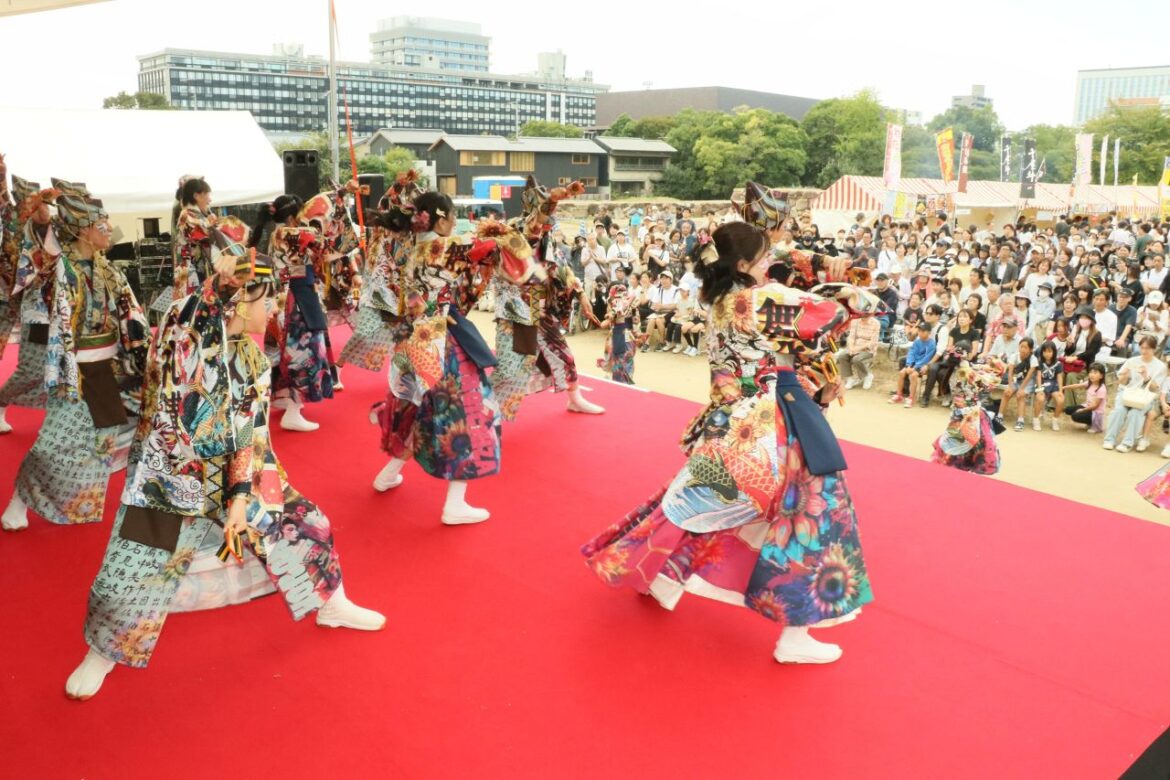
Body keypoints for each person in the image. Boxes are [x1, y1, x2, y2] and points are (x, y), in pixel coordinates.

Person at [64, 251, 384, 701]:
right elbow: (189, 318)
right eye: (267, 299)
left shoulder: (252, 360)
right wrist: (218, 287)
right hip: (169, 477)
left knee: (309, 525)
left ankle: (332, 604)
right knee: (126, 573)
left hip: (237, 473)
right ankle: (100, 653)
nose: (274, 309)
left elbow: (253, 434)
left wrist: (239, 498)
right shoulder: (184, 333)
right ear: (237, 301)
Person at [581, 215, 874, 665]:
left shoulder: (719, 300)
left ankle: (662, 576)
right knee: (814, 514)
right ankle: (795, 634)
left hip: (727, 423)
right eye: (764, 256)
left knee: (707, 505)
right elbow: (831, 312)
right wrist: (851, 288)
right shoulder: (761, 300)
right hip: (770, 424)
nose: (771, 261)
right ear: (744, 263)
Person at [371, 190, 529, 525]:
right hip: (438, 342)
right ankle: (455, 504)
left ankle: (388, 474)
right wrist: (501, 235)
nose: (455, 222)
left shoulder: (409, 247)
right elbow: (489, 249)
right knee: (469, 412)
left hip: (412, 337)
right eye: (453, 217)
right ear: (441, 218)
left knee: (418, 407)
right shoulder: (439, 246)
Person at [2, 184, 149, 531]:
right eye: (103, 223)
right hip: (72, 370)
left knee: (107, 436)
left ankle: (87, 493)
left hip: (109, 367)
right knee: (54, 443)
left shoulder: (108, 270)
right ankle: (19, 499)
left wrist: (146, 353)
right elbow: (28, 259)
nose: (109, 228)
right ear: (83, 230)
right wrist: (39, 223)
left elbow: (132, 316)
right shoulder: (58, 267)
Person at [249, 183, 359, 432]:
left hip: (284, 297)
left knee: (284, 352)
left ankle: (285, 400)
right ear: (292, 215)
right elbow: (332, 250)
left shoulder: (277, 234)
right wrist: (339, 199)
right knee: (304, 352)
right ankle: (293, 410)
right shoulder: (295, 233)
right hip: (297, 298)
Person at [492, 176, 603, 420]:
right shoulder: (518, 228)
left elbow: (560, 266)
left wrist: (581, 293)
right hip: (518, 311)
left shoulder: (546, 236)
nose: (547, 223)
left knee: (565, 354)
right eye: (545, 211)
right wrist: (553, 199)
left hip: (541, 308)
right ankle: (488, 412)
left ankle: (575, 399)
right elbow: (535, 223)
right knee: (512, 365)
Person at [336, 171, 421, 374]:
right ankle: (338, 365)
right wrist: (399, 184)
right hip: (374, 292)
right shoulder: (378, 232)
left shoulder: (412, 239)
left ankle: (400, 383)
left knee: (403, 341)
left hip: (399, 295)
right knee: (363, 333)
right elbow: (384, 201)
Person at [0, 170, 56, 435]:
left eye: (44, 204)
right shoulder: (21, 226)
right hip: (29, 304)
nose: (44, 209)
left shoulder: (53, 231)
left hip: (56, 307)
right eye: (37, 204)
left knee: (56, 364)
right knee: (31, 366)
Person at [150, 175, 215, 316]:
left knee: (198, 307)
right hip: (189, 270)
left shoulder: (196, 214)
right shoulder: (186, 214)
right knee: (189, 308)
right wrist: (212, 224)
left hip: (197, 268)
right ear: (197, 195)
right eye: (207, 195)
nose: (210, 199)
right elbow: (202, 234)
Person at [931, 356, 1004, 475]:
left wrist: (978, 366)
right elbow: (992, 380)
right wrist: (992, 366)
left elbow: (975, 369)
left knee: (957, 438)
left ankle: (951, 460)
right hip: (970, 413)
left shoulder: (956, 372)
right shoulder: (972, 375)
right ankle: (964, 462)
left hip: (960, 412)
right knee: (972, 440)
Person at [1103, 336, 1167, 453]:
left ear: (1154, 349)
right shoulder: (1132, 361)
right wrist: (1125, 375)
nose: (1144, 351)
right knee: (1119, 410)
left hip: (1146, 396)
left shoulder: (1160, 366)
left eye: (1147, 348)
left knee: (1136, 412)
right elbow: (1121, 382)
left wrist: (1146, 376)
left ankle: (1127, 443)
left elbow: (1156, 388)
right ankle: (1109, 439)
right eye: (1142, 347)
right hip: (1128, 392)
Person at [598, 281, 641, 383]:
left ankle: (622, 383)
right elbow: (636, 321)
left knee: (621, 360)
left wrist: (610, 318)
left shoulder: (621, 303)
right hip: (622, 335)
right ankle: (622, 381)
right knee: (619, 360)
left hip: (622, 335)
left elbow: (634, 320)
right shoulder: (623, 302)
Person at [892, 322, 935, 408]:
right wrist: (909, 365)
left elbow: (926, 358)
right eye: (919, 330)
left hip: (923, 365)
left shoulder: (932, 344)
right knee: (901, 373)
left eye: (923, 331)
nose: (920, 332)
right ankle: (899, 395)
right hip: (913, 364)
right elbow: (911, 353)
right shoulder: (917, 341)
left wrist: (915, 367)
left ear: (929, 332)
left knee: (913, 375)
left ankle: (911, 398)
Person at [836, 313, 880, 391]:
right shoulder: (855, 321)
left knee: (856, 359)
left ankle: (867, 376)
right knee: (842, 356)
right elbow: (851, 337)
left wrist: (857, 349)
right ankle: (850, 379)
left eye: (866, 316)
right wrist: (851, 348)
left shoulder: (876, 323)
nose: (863, 317)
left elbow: (873, 342)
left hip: (868, 349)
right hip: (854, 346)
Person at [1064, 363, 1108, 434]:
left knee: (1075, 416)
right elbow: (1077, 385)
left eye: (1095, 373)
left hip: (1096, 413)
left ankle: (1096, 426)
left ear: (1101, 376)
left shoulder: (1101, 389)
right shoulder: (1090, 383)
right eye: (1090, 372)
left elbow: (1095, 406)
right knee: (1068, 409)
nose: (1092, 375)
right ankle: (1090, 422)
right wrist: (1063, 387)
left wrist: (1082, 410)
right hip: (1088, 407)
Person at [646, 270, 681, 351]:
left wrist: (662, 306)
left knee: (659, 320)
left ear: (671, 280)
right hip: (660, 312)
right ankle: (646, 343)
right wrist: (658, 307)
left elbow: (676, 305)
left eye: (666, 278)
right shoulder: (659, 290)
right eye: (662, 278)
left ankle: (662, 342)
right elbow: (654, 304)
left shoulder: (676, 290)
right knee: (651, 320)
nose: (663, 280)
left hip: (672, 312)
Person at [1034, 341, 1065, 431]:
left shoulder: (1058, 364)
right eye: (1045, 352)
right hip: (1042, 383)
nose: (1047, 354)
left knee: (1060, 399)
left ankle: (1055, 420)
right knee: (1040, 398)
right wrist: (1039, 389)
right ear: (1042, 352)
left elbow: (1059, 377)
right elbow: (1039, 376)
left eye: (1050, 351)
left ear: (1054, 352)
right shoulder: (1039, 362)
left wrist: (1060, 390)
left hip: (1053, 384)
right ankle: (1036, 419)